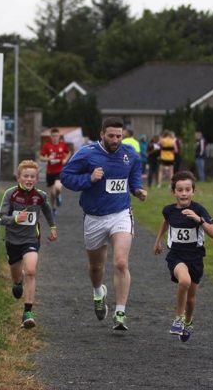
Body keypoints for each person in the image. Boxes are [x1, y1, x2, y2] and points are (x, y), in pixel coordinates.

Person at [61, 117, 147, 331]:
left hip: (121, 213)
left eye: (119, 136)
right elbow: (66, 177)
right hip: (94, 217)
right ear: (102, 134)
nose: (116, 140)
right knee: (96, 266)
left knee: (120, 262)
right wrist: (89, 179)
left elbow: (134, 174)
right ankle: (99, 291)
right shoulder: (87, 153)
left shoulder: (130, 154)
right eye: (111, 136)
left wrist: (137, 189)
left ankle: (120, 313)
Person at [153, 171, 213, 342]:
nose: (183, 193)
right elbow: (166, 221)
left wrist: (199, 219)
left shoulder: (199, 209)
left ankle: (188, 321)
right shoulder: (169, 210)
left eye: (187, 189)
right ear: (173, 192)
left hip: (195, 258)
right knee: (184, 281)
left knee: (191, 299)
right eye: (180, 190)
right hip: (176, 256)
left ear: (193, 192)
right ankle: (178, 318)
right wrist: (158, 241)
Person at [0, 160, 58, 329]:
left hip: (31, 239)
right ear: (19, 177)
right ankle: (17, 283)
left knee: (31, 271)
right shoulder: (11, 194)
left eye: (33, 176)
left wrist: (52, 227)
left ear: (36, 179)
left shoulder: (40, 196)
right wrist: (15, 219)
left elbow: (47, 209)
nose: (29, 179)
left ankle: (28, 313)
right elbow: (0, 218)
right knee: (18, 276)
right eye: (26, 176)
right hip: (13, 241)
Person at [40, 127, 72, 215]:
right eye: (53, 136)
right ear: (51, 136)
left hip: (60, 171)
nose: (55, 137)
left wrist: (65, 159)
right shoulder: (47, 146)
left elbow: (68, 152)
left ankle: (59, 195)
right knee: (52, 193)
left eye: (56, 136)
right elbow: (41, 157)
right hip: (50, 172)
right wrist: (48, 158)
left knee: (58, 187)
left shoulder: (63, 145)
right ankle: (53, 207)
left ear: (59, 136)